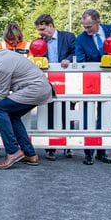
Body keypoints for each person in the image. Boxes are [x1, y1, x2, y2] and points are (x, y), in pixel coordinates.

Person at [0, 48, 53, 169]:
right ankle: (30, 154)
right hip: (39, 88)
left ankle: (13, 151)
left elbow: (2, 94)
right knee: (12, 115)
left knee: (0, 110)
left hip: (34, 89)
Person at [75, 9, 111, 165]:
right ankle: (88, 153)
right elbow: (80, 61)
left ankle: (101, 151)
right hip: (89, 82)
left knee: (104, 116)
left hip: (109, 81)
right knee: (87, 116)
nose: (86, 30)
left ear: (98, 22)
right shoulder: (81, 39)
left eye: (89, 26)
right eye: (84, 26)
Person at [34, 14, 76, 160]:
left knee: (67, 113)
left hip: (66, 80)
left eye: (43, 29)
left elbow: (76, 52)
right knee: (49, 112)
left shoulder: (68, 37)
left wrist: (68, 59)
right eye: (39, 30)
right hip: (48, 81)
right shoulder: (39, 42)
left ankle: (68, 146)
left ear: (51, 26)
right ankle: (50, 148)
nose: (41, 33)